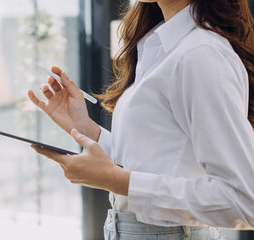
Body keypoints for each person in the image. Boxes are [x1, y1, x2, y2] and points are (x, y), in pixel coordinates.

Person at [28, 0, 254, 239]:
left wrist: (118, 182)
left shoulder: (200, 54)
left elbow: (244, 201)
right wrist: (85, 128)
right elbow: (157, 159)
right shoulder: (161, 45)